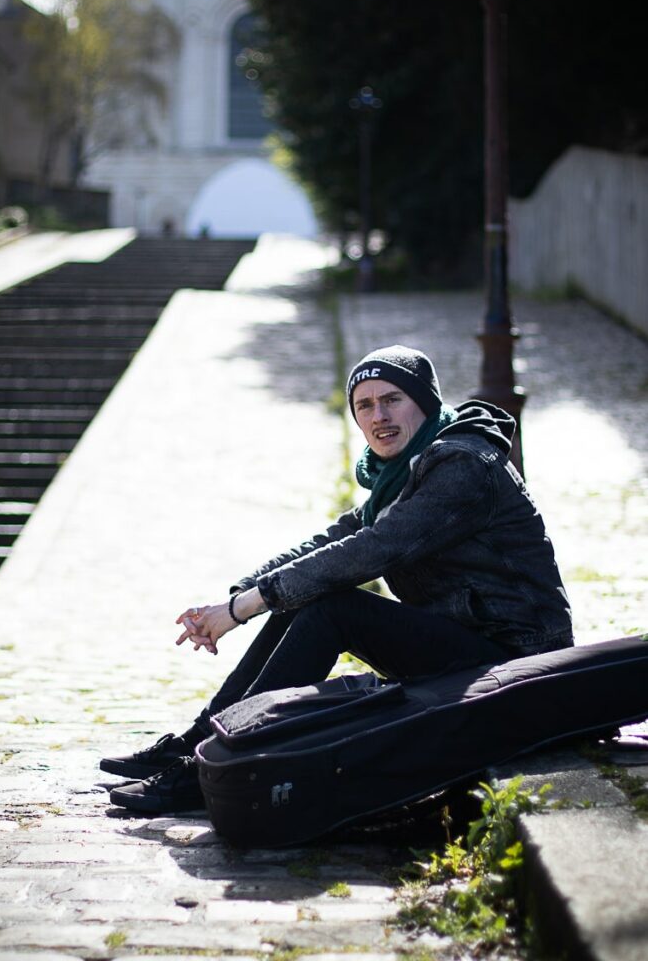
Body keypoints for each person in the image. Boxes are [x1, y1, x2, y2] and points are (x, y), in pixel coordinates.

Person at [102, 345, 573, 813]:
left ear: (425, 403)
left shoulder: (461, 465)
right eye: (364, 406)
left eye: (392, 400)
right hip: (466, 647)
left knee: (333, 607)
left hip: (517, 661)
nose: (378, 417)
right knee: (310, 593)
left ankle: (217, 762)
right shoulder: (401, 472)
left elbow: (369, 551)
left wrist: (243, 610)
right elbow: (331, 541)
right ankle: (199, 742)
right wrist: (238, 596)